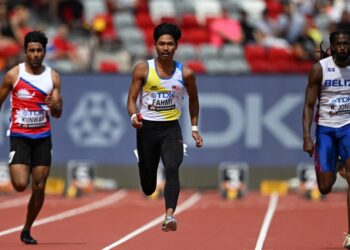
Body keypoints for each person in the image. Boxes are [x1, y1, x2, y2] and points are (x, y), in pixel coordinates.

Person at [127, 23, 203, 232]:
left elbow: (194, 100)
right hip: (146, 130)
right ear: (155, 45)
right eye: (162, 44)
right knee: (149, 187)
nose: (166, 48)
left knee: (172, 167)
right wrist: (134, 116)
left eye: (170, 44)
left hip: (171, 129)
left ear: (176, 46)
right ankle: (143, 161)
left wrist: (194, 129)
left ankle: (169, 216)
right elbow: (131, 99)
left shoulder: (185, 73)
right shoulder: (143, 69)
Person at [0, 30, 63, 244]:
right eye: (31, 50)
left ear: (45, 52)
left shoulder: (53, 76)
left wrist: (55, 106)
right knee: (19, 184)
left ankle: (26, 229)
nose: (35, 54)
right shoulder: (13, 75)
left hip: (43, 137)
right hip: (19, 135)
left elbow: (57, 112)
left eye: (39, 50)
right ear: (25, 52)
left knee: (39, 186)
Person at [302, 30, 350, 248]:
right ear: (332, 46)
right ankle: (338, 163)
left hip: (348, 127)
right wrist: (307, 137)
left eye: (346, 44)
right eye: (338, 44)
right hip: (326, 129)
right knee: (325, 187)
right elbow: (309, 105)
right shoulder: (319, 69)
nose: (342, 47)